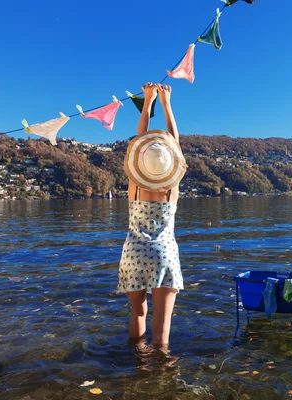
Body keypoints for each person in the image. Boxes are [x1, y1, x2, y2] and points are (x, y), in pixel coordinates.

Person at [117, 82, 187, 352]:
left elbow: (140, 137)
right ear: (171, 165)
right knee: (163, 321)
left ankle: (139, 363)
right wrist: (167, 103)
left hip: (134, 252)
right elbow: (175, 144)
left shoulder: (134, 185)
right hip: (164, 253)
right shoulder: (171, 190)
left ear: (139, 166)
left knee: (138, 313)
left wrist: (148, 102)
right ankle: (162, 368)